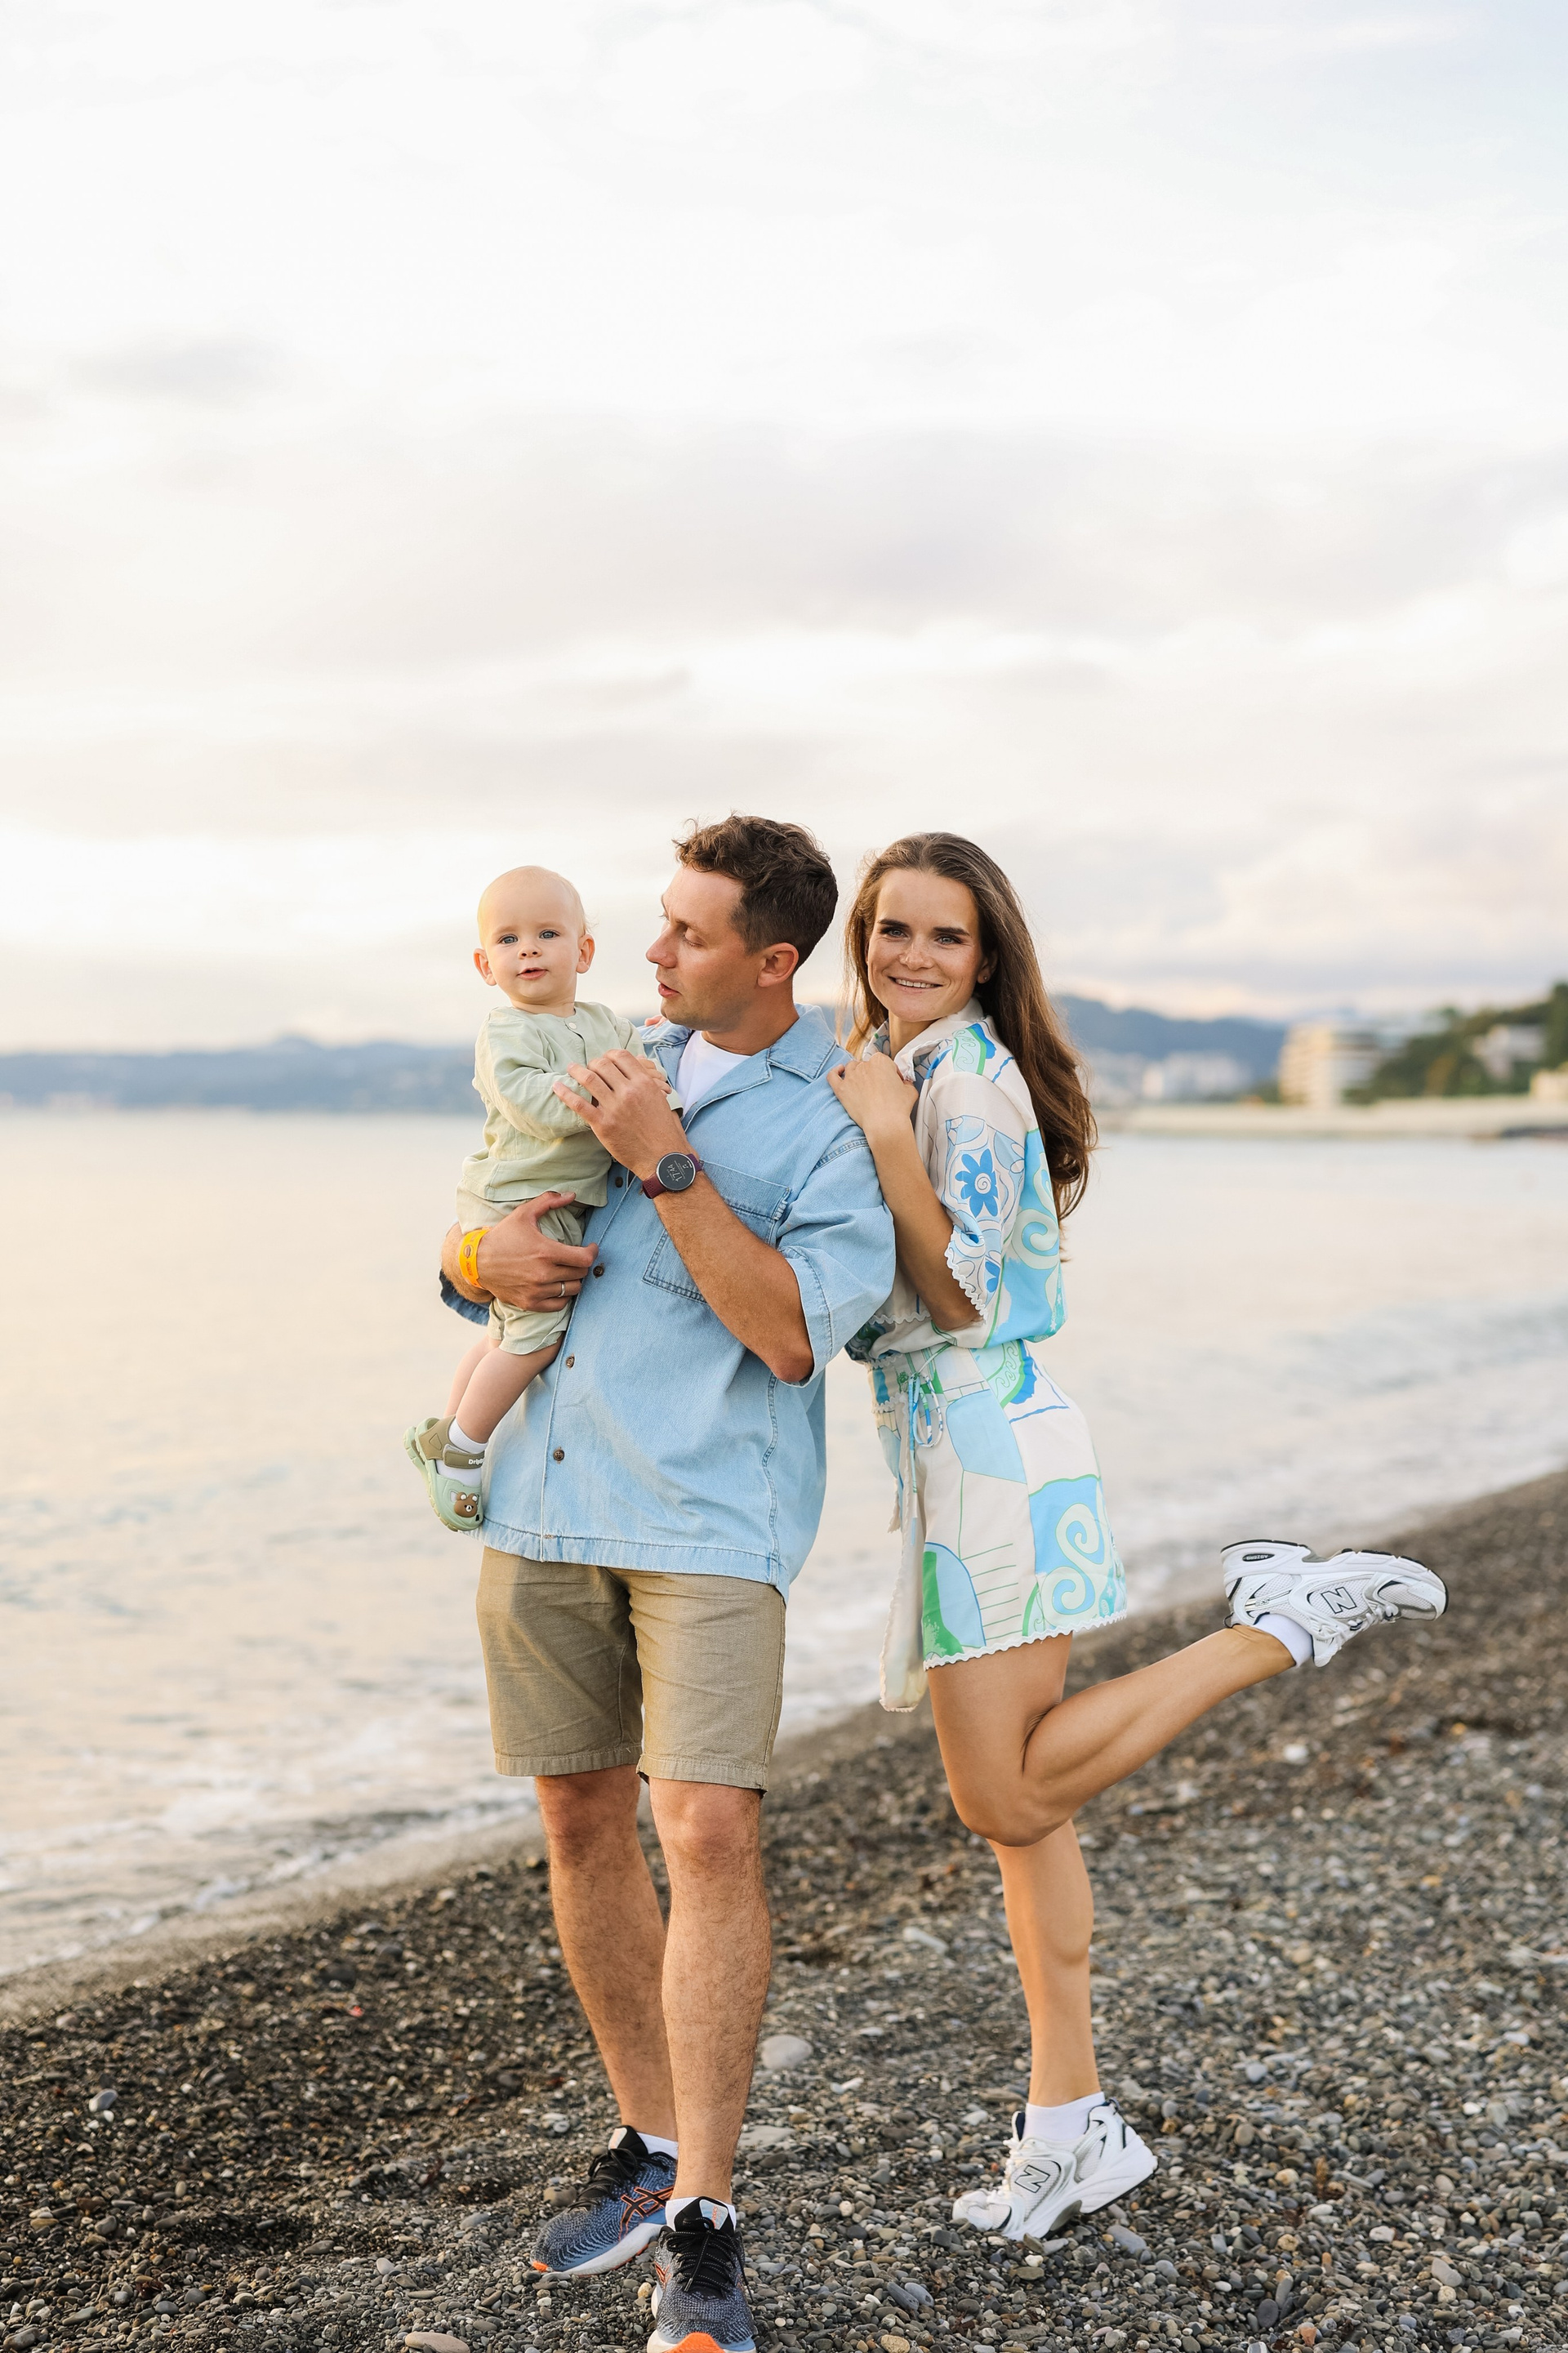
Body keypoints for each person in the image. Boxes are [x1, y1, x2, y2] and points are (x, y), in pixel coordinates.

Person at [827, 830, 1446, 2244]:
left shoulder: (961, 1083)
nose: (913, 955)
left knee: (1004, 1798)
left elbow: (962, 1294)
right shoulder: (905, 1065)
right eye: (892, 929)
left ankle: (1278, 1621)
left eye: (945, 935)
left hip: (988, 1447)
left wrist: (880, 1134)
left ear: (987, 957)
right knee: (1026, 1821)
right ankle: (1071, 2129)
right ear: (863, 940)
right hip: (965, 1448)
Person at [440, 815, 894, 2353]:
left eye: (688, 934)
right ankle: (644, 2145)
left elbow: (792, 1334)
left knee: (704, 1829)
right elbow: (489, 1225)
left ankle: (706, 2214)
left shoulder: (835, 1120)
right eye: (658, 921)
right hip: (546, 1496)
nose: (652, 951)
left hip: (708, 1516)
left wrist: (667, 1161)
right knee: (578, 1816)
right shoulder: (591, 1046)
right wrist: (478, 1260)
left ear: (774, 960)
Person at [406, 864, 648, 1531]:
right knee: (537, 1340)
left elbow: (649, 1081)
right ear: (486, 965)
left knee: (504, 1331)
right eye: (508, 940)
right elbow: (534, 1105)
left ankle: (444, 1431)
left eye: (547, 933)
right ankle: (464, 1448)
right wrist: (613, 1094)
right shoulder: (504, 1032)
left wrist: (656, 1097)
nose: (529, 950)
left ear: (584, 951)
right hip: (511, 1199)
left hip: (557, 1198)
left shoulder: (610, 1025)